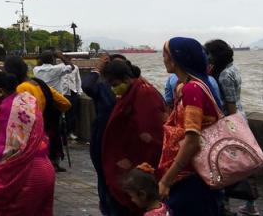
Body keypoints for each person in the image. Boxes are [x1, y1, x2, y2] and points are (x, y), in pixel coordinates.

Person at [0, 68, 55, 215]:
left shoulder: (5, 112)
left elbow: (4, 150)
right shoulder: (28, 100)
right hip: (45, 168)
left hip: (24, 175)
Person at [157, 37, 224, 216]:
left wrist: (166, 180)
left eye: (166, 54)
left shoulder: (191, 89)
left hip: (191, 176)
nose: (163, 58)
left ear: (177, 58)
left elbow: (192, 140)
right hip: (199, 174)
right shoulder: (196, 85)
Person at [100, 57, 166, 215]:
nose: (113, 89)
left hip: (139, 158)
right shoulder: (133, 91)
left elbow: (150, 131)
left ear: (126, 78)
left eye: (114, 84)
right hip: (129, 157)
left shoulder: (144, 93)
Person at [205, 39, 257, 215]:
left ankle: (226, 204)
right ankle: (250, 206)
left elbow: (230, 103)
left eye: (209, 54)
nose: (207, 58)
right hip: (240, 119)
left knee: (227, 166)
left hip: (232, 122)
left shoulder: (224, 75)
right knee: (244, 166)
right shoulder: (233, 68)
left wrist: (231, 127)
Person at [83, 53, 133, 216]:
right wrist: (97, 68)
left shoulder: (134, 89)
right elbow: (87, 85)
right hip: (103, 138)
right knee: (105, 177)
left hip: (124, 140)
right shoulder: (104, 88)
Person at [5, 55, 71, 172]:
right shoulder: (39, 83)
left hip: (29, 139)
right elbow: (65, 103)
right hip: (44, 134)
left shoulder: (21, 89)